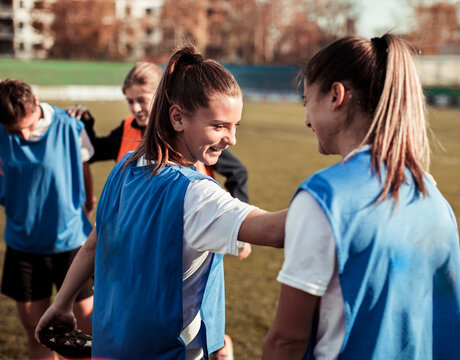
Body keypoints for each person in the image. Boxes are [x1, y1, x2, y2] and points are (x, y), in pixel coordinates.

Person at [35, 44, 287, 360]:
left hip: (111, 345)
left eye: (234, 126)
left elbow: (92, 246)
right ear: (178, 118)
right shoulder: (197, 195)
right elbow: (278, 231)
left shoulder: (124, 167)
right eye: (219, 125)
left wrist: (61, 304)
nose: (231, 139)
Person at [263, 35, 460, 359]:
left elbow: (287, 341)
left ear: (336, 96)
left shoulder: (324, 199)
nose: (306, 118)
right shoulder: (434, 198)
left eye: (306, 100)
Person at [0, 78, 95, 359]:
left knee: (87, 339)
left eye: (28, 126)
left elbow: (85, 170)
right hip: (23, 249)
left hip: (72, 245)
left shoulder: (69, 125)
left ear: (37, 102)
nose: (25, 136)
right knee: (39, 338)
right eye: (16, 131)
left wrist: (88, 202)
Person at [67, 61, 250, 204]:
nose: (135, 108)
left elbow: (237, 172)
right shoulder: (127, 128)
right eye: (130, 101)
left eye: (142, 100)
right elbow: (93, 153)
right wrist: (85, 122)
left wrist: (238, 223)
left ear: (160, 96)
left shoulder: (189, 135)